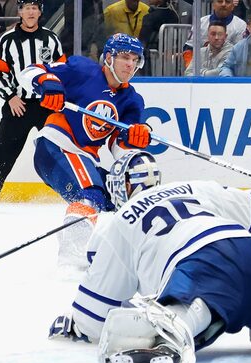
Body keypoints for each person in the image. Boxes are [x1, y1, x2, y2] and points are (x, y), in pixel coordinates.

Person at [48, 150, 251, 363]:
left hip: (197, 265)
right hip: (249, 252)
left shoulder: (118, 224)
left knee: (183, 313)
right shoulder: (194, 187)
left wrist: (72, 326)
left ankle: (171, 329)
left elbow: (93, 318)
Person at [17, 33, 152, 273]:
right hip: (57, 146)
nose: (130, 65)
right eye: (124, 57)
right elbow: (28, 72)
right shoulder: (82, 70)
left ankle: (111, 251)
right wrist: (47, 82)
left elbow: (119, 148)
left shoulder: (132, 100)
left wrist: (134, 138)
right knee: (88, 194)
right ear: (108, 57)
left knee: (117, 199)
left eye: (135, 60)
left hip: (86, 158)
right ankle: (72, 257)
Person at [0, 0, 65, 210]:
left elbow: (62, 70)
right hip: (18, 105)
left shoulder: (51, 39)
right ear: (20, 12)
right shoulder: (7, 40)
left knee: (60, 148)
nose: (31, 12)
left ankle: (72, 191)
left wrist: (56, 95)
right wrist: (11, 96)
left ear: (40, 12)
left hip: (47, 106)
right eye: (27, 8)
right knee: (2, 150)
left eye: (35, 8)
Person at [182, 0, 247, 70]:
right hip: (201, 68)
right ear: (213, 5)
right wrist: (191, 67)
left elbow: (240, 54)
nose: (223, 4)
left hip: (229, 70)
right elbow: (189, 48)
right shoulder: (201, 22)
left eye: (227, 2)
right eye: (220, 1)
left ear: (233, 6)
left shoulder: (240, 25)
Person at [138, 0, 179, 76]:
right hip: (170, 59)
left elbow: (142, 39)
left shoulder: (150, 17)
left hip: (151, 58)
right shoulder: (174, 15)